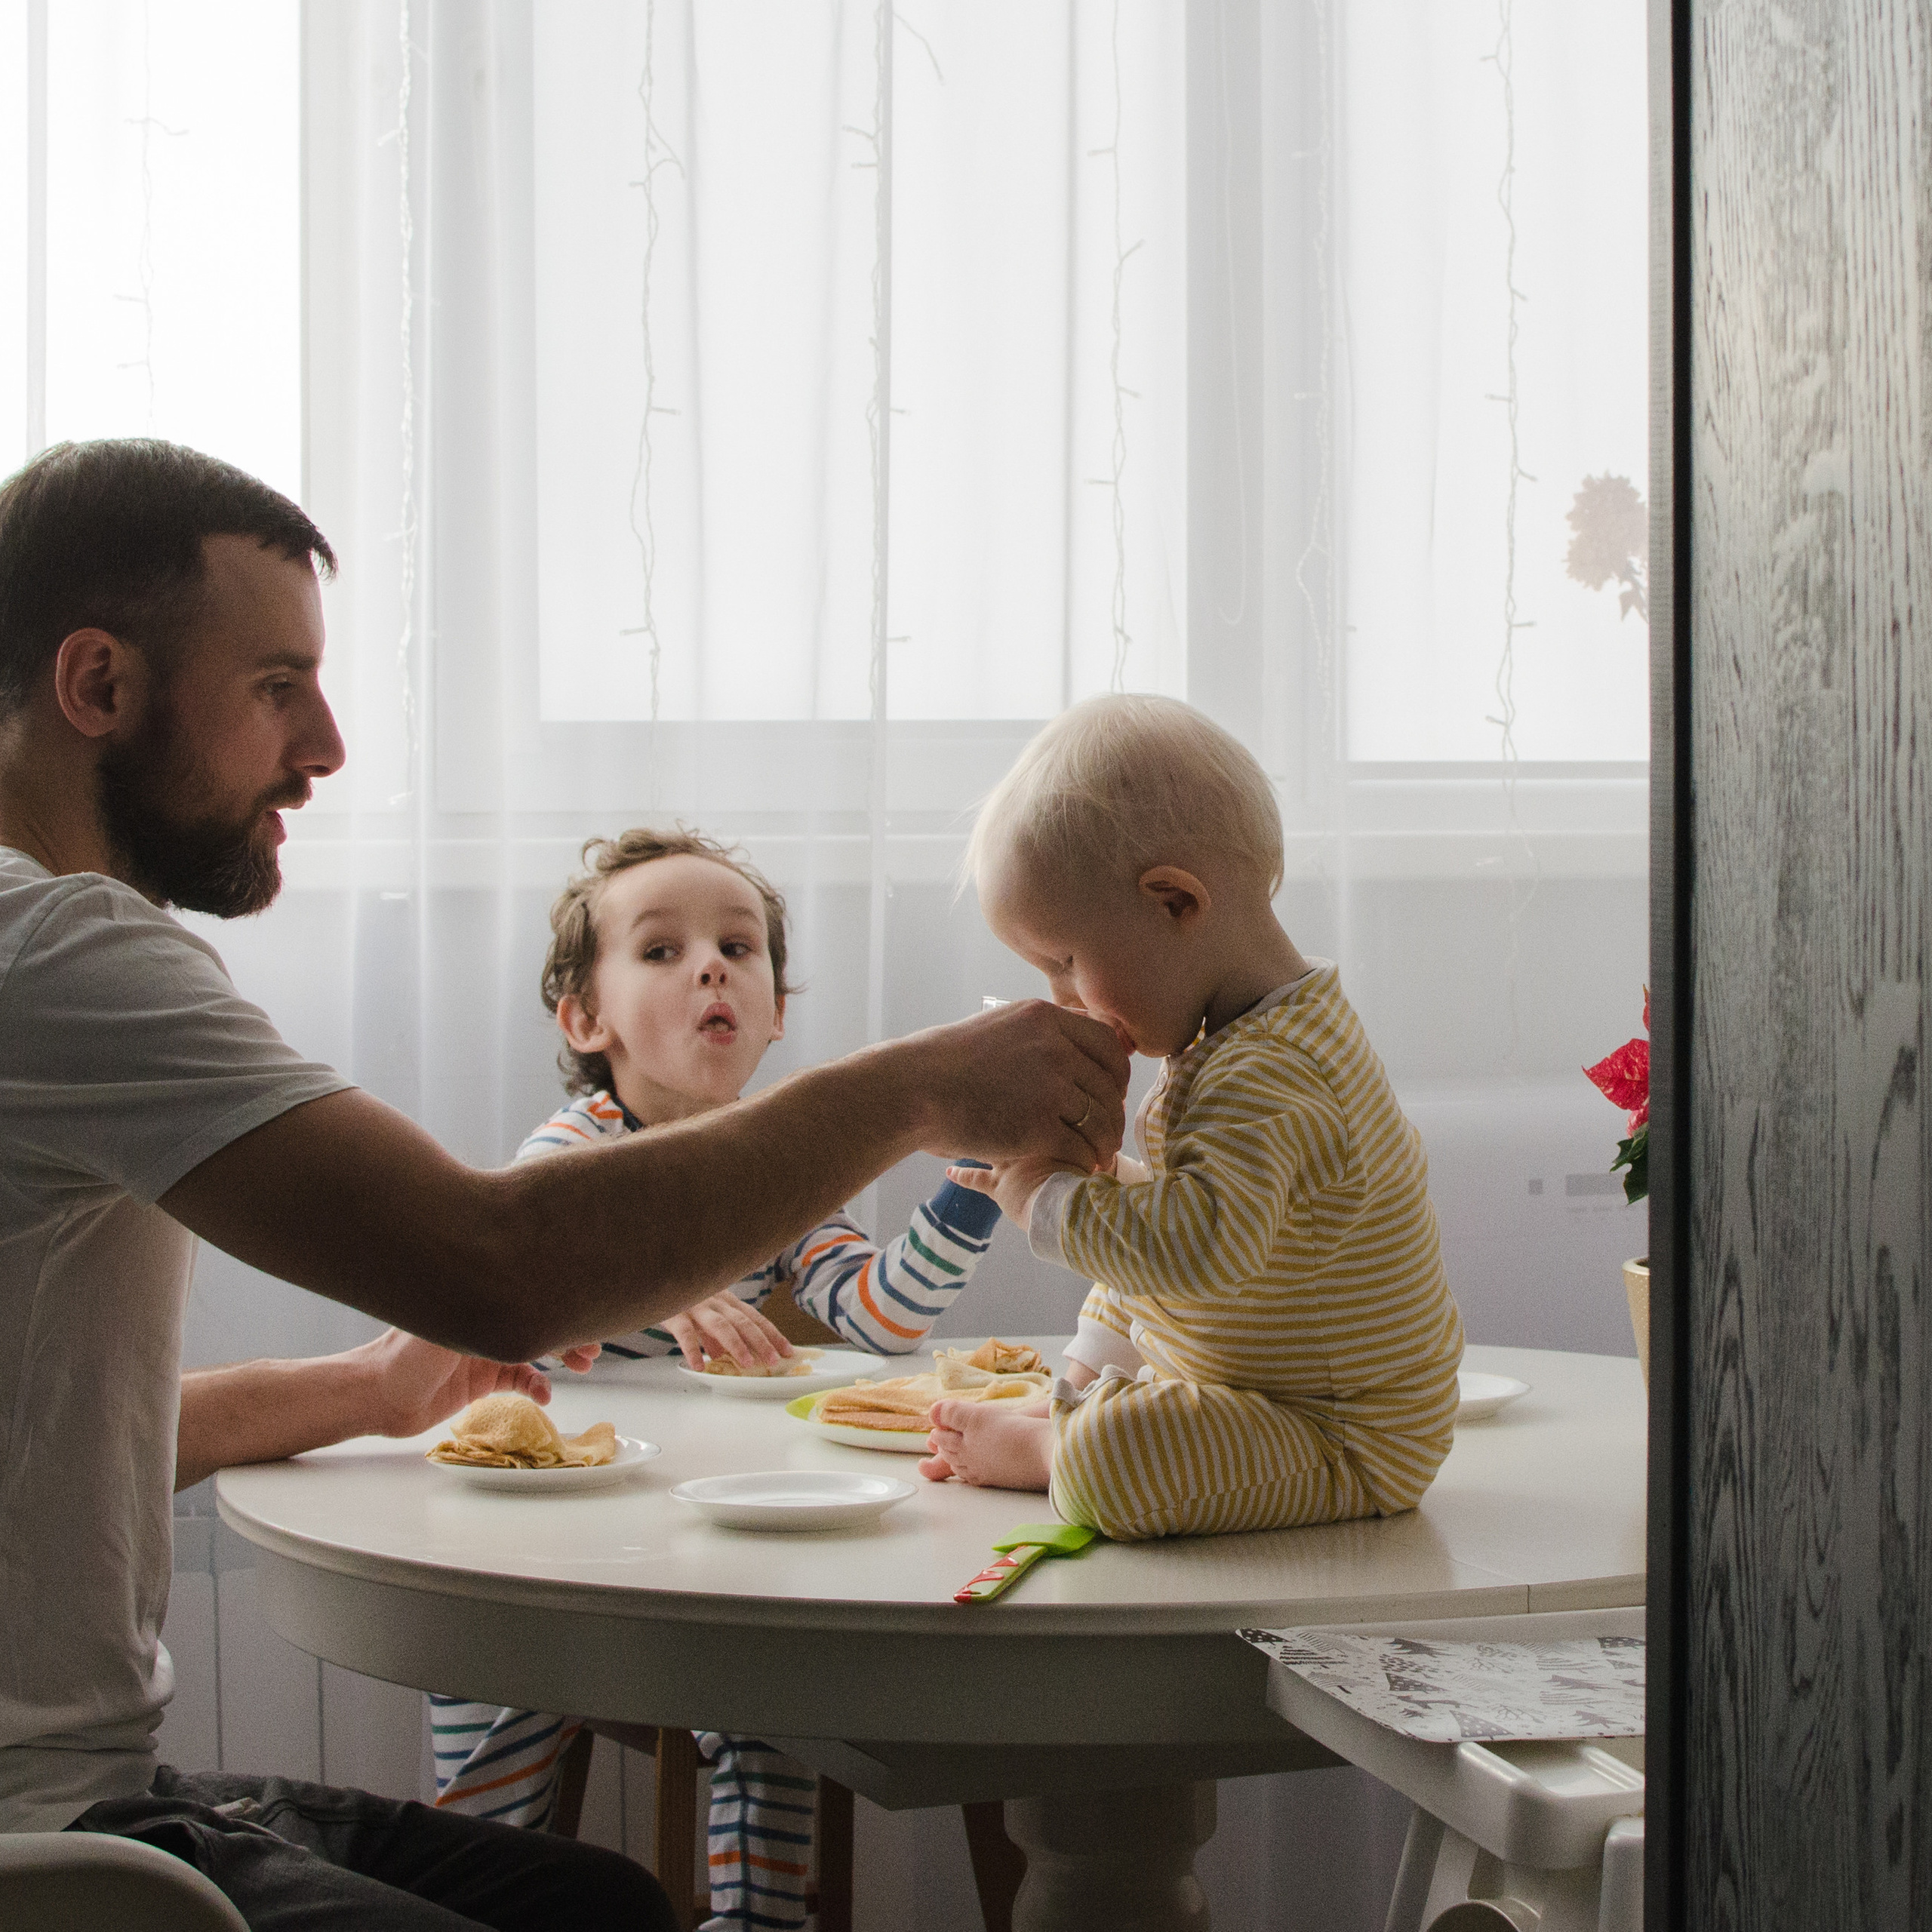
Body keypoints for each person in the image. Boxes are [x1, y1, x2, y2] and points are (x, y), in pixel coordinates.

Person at [0, 438, 1128, 1930]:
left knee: (596, 1901)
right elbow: (502, 1259)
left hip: (97, 1791)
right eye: (278, 683)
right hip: (52, 1831)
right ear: (98, 685)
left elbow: (64, 1441)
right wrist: (918, 1083)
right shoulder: (63, 951)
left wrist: (371, 1386)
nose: (327, 743)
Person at [430, 826, 1001, 1932]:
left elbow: (880, 1317)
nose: (711, 967)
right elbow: (528, 1281)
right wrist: (650, 1278)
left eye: (740, 948)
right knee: (488, 1703)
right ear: (586, 1020)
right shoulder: (574, 1150)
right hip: (551, 1537)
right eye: (660, 951)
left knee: (769, 1698)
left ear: (776, 1011)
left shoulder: (784, 1166)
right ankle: (461, 1899)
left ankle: (757, 1920)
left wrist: (971, 1187)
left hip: (712, 1528)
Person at [920, 694, 1465, 1542]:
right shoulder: (1254, 1033)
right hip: (1253, 1384)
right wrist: (1098, 1184)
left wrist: (1040, 1195)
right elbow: (1198, 1230)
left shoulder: (1273, 1071)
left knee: (1112, 1452)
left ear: (1173, 903)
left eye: (1066, 962)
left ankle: (1059, 1448)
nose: (1061, 997)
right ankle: (1075, 1390)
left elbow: (1200, 1251)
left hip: (1338, 1435)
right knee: (1126, 1212)